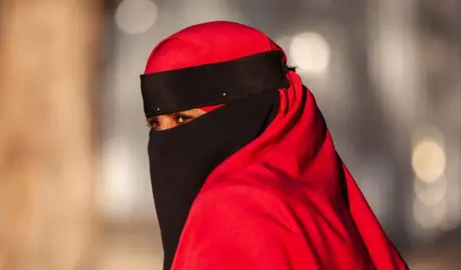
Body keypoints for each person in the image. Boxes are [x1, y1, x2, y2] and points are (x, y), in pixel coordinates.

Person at [140, 21, 408, 270]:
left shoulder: (235, 210)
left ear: (245, 114)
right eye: (155, 124)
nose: (167, 140)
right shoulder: (324, 208)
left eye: (184, 118)